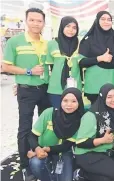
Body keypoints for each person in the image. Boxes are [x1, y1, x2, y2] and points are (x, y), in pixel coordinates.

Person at [1, 8, 50, 180]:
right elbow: (5, 67)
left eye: (39, 21)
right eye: (32, 20)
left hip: (45, 89)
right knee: (25, 128)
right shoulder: (15, 42)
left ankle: (43, 154)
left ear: (44, 23)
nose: (36, 24)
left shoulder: (46, 43)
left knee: (45, 125)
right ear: (26, 21)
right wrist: (28, 71)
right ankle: (24, 165)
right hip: (26, 90)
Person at [27, 88, 84, 181]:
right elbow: (32, 136)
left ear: (79, 103)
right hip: (42, 149)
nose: (69, 104)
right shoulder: (49, 113)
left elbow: (66, 146)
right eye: (65, 100)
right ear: (61, 101)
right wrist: (37, 149)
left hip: (63, 152)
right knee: (36, 163)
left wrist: (47, 149)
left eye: (74, 101)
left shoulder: (80, 120)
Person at [74, 84, 114, 181]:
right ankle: (81, 174)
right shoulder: (91, 116)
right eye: (109, 97)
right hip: (87, 154)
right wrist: (102, 140)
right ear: (102, 98)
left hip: (105, 152)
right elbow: (80, 143)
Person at [79, 11, 114, 104]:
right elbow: (81, 62)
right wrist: (99, 58)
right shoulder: (88, 40)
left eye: (109, 20)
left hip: (113, 83)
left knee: (112, 114)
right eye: (103, 19)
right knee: (96, 115)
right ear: (97, 21)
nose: (106, 22)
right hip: (94, 85)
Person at [46, 16, 82, 108]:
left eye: (74, 28)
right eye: (68, 26)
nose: (71, 30)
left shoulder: (80, 44)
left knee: (74, 116)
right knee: (57, 116)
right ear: (62, 27)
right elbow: (50, 66)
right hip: (56, 87)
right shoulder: (52, 44)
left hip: (75, 87)